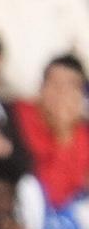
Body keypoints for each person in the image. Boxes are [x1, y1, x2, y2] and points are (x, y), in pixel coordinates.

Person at [15, 56, 89, 208]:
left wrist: (65, 132)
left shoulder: (83, 134)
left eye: (70, 87)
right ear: (41, 88)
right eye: (54, 84)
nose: (61, 93)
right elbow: (48, 194)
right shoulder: (16, 118)